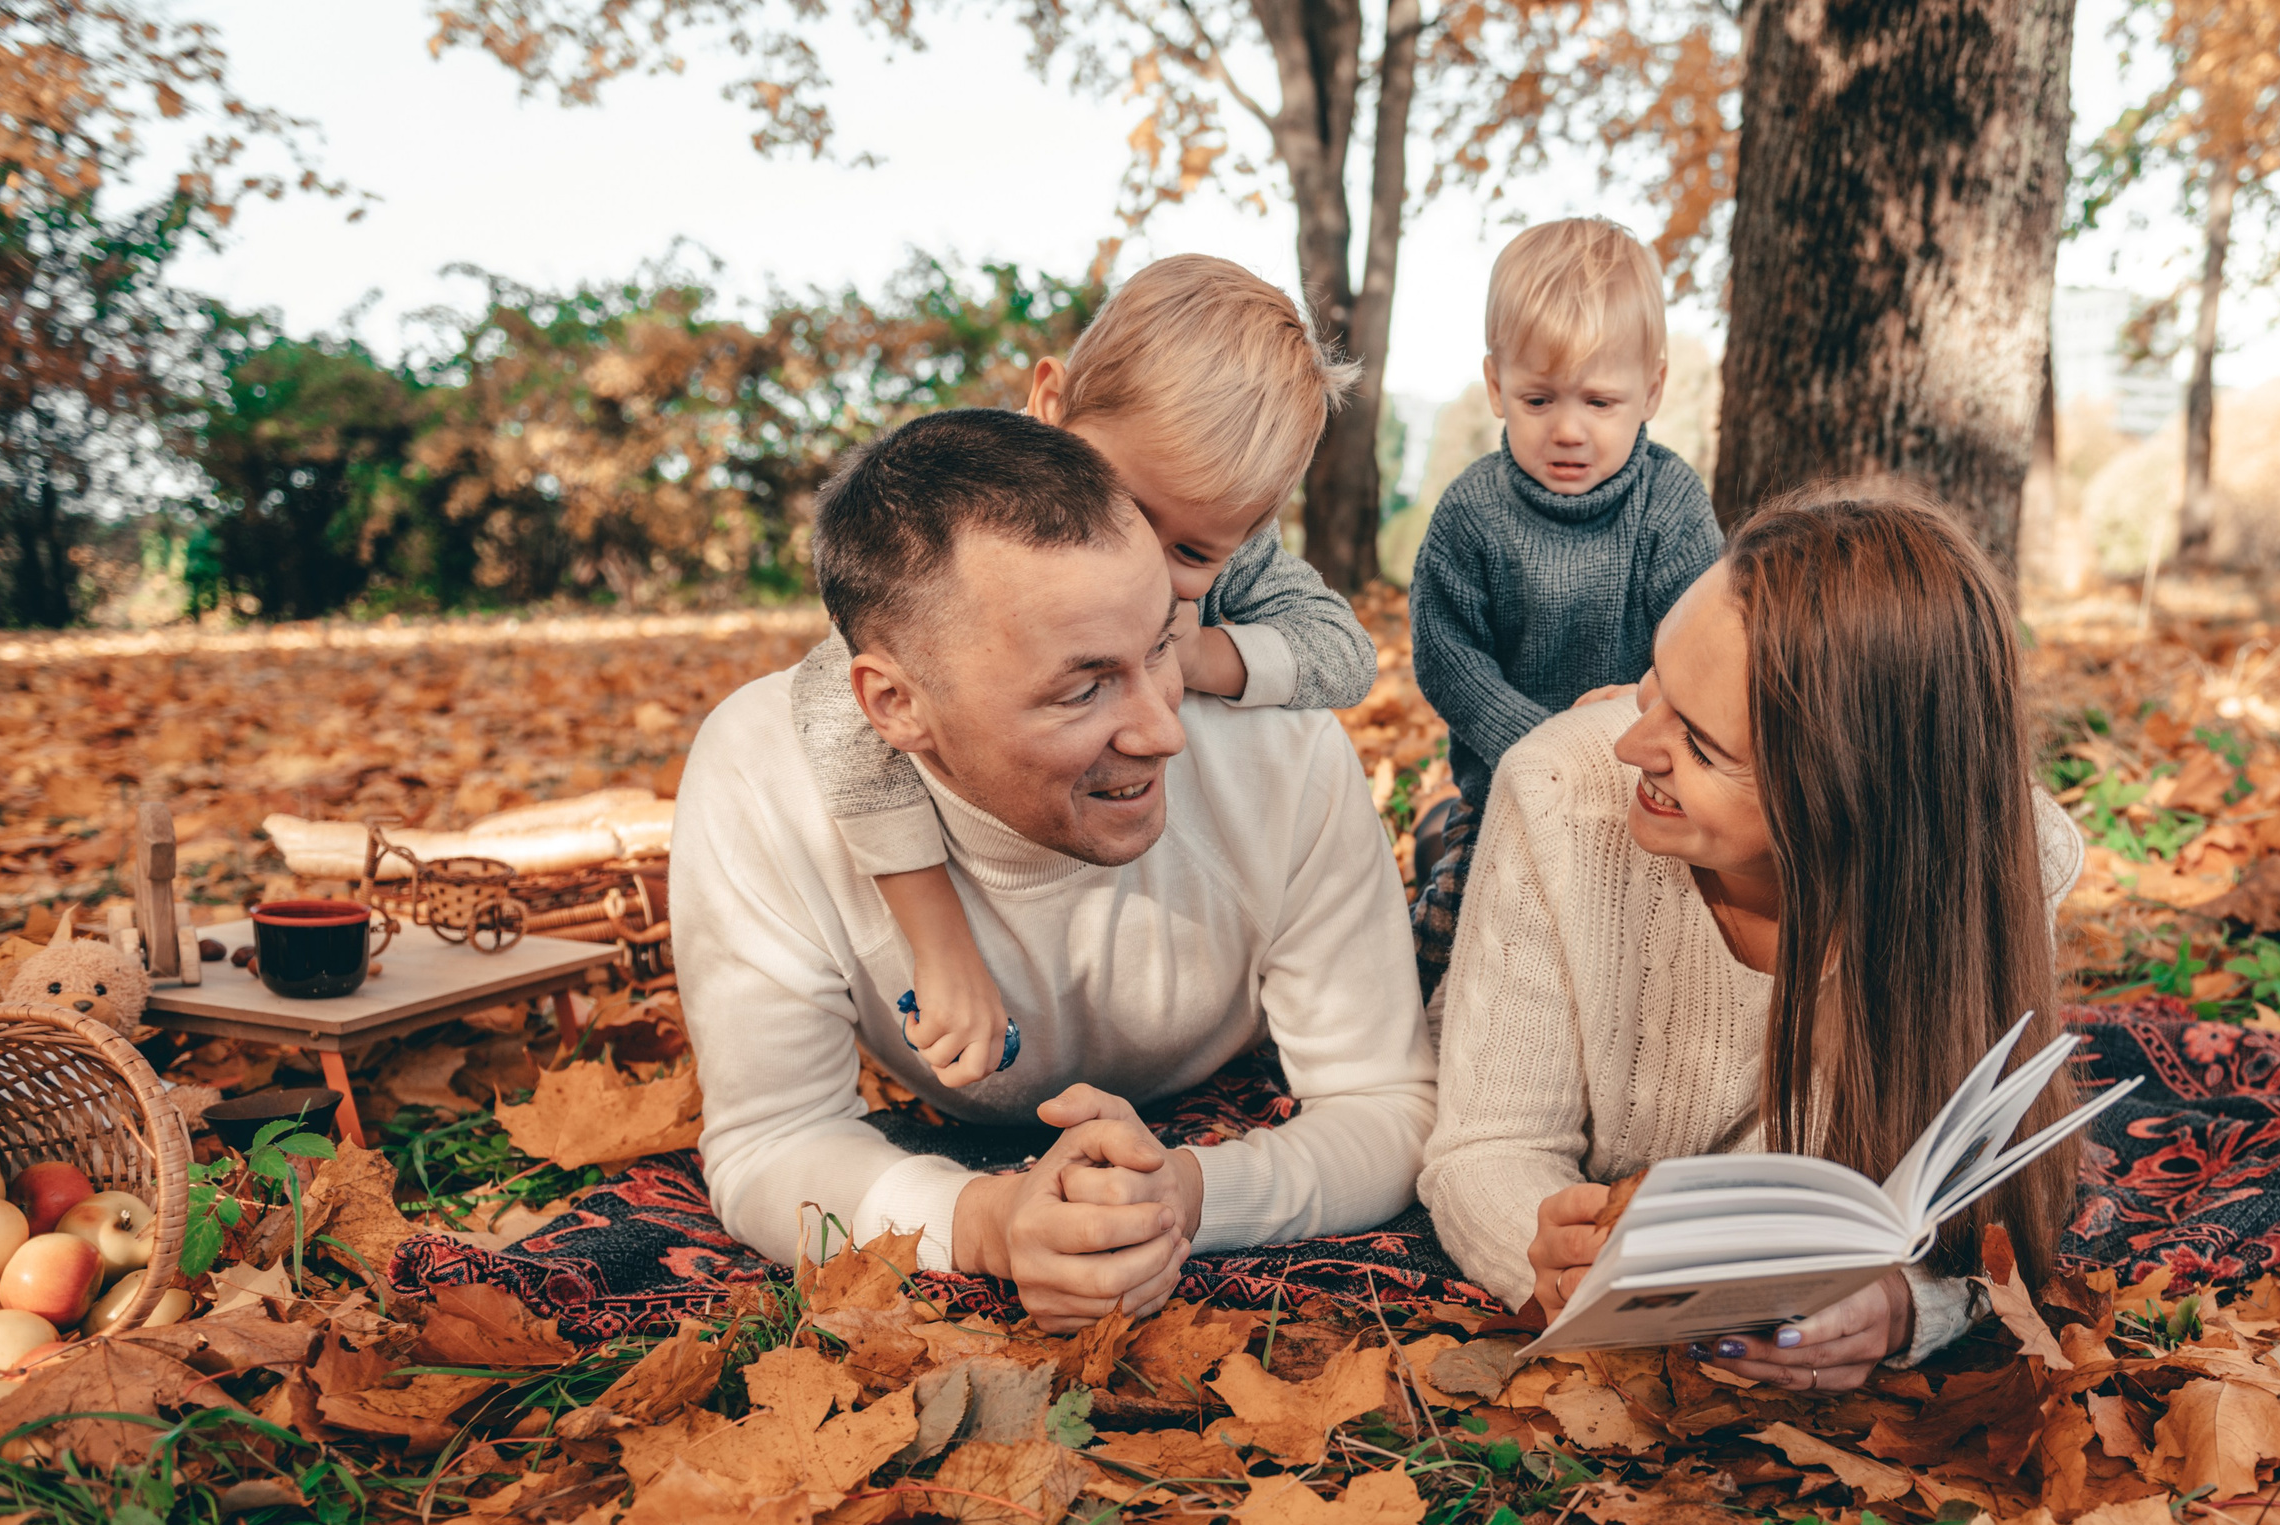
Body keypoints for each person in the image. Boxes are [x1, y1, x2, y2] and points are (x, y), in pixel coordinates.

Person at [672, 409, 1434, 1331]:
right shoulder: (763, 777)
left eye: (1162, 646)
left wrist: (1188, 1195)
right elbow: (770, 1139)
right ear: (894, 705)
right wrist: (983, 1225)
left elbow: (1386, 1103)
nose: (1164, 731)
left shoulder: (1282, 746)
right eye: (1082, 690)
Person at [1417, 485, 2087, 1390]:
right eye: (1653, 684)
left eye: (1700, 745)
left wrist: (1901, 1304)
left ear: (1850, 799)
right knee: (1444, 915)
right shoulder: (1559, 792)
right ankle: (1436, 831)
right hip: (1495, 915)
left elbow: (1987, 1203)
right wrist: (1543, 1248)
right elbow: (1486, 1145)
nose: (1635, 746)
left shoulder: (2000, 862)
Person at [789, 256, 1378, 1087]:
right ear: (1050, 407)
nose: (1145, 558)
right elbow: (835, 697)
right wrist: (936, 937)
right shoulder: (968, 530)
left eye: (1190, 552)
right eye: (1127, 505)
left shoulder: (1238, 555)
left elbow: (1347, 654)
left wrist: (1198, 652)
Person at [1407, 218, 1725, 997]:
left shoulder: (1668, 501)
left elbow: (1706, 643)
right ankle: (1391, 1049)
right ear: (1495, 386)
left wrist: (1644, 703)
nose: (1570, 430)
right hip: (1509, 786)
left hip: (1645, 780)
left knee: (1666, 961)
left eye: (1601, 401)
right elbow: (1448, 654)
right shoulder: (1474, 511)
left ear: (1651, 390)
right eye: (1539, 399)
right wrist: (1537, 744)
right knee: (1453, 948)